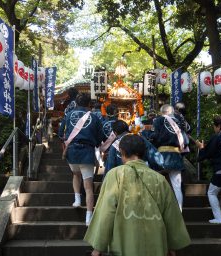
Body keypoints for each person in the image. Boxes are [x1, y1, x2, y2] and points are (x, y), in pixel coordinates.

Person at [84, 135, 191, 256]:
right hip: (156, 245)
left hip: (124, 244)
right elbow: (171, 216)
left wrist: (98, 247)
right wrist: (172, 246)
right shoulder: (160, 179)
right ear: (144, 152)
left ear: (122, 152)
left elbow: (106, 212)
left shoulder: (115, 175)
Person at [58, 94, 106, 226]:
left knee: (75, 174)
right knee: (89, 187)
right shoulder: (94, 117)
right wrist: (95, 143)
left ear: (76, 103)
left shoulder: (68, 115)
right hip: (87, 153)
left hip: (72, 153)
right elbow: (100, 136)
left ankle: (77, 199)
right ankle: (88, 218)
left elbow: (60, 132)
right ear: (89, 104)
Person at [151, 104, 190, 211]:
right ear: (171, 112)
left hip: (161, 157)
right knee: (177, 187)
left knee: (157, 185)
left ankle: (157, 210)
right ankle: (179, 211)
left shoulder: (158, 120)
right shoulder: (179, 121)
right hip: (176, 156)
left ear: (161, 112)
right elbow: (186, 141)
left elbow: (154, 137)